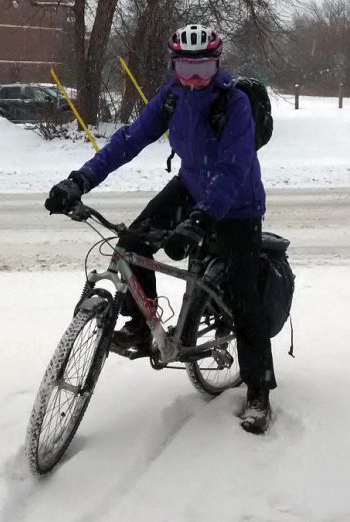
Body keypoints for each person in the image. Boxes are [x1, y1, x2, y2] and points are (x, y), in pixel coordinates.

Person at [45, 24, 275, 434]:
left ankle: (258, 391)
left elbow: (233, 168)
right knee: (132, 241)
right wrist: (80, 180)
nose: (193, 78)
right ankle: (141, 324)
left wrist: (201, 220)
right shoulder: (173, 98)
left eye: (202, 67)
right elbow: (128, 140)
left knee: (243, 295)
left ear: (217, 62)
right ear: (174, 65)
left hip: (237, 203)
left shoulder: (234, 103)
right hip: (191, 186)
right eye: (185, 66)